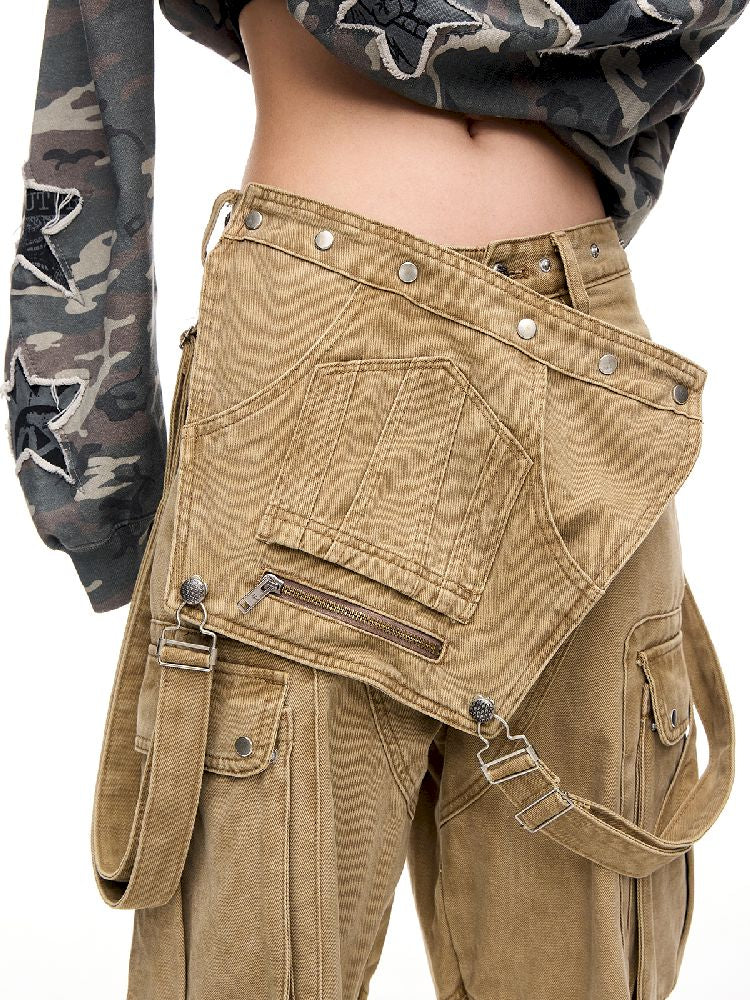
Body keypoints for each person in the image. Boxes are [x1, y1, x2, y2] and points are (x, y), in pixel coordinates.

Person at [4, 1, 742, 998]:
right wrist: (96, 470)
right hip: (315, 341)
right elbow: (93, 93)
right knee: (249, 957)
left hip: (581, 352)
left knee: (584, 960)